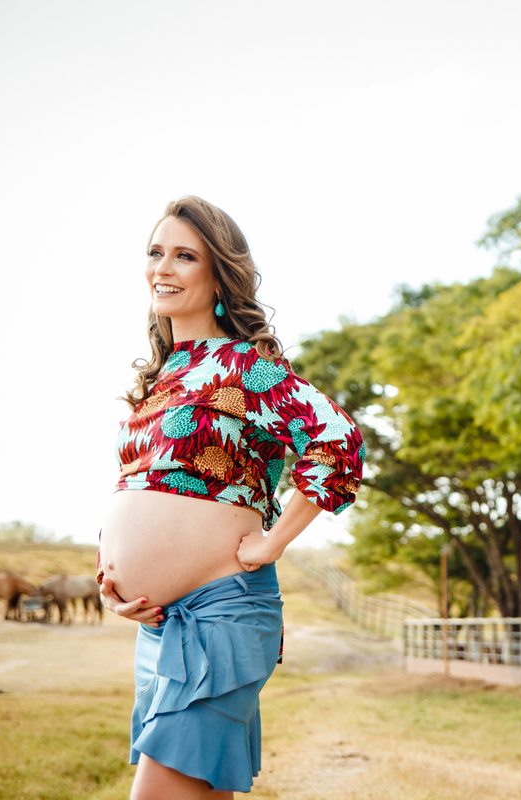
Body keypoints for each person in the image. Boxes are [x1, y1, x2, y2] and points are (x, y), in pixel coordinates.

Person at [98, 196, 363, 799]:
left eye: (183, 256)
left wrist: (273, 542)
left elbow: (336, 439)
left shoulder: (242, 367)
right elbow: (138, 484)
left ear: (219, 273)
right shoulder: (161, 378)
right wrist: (113, 580)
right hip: (161, 627)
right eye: (155, 252)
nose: (162, 268)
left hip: (221, 613)